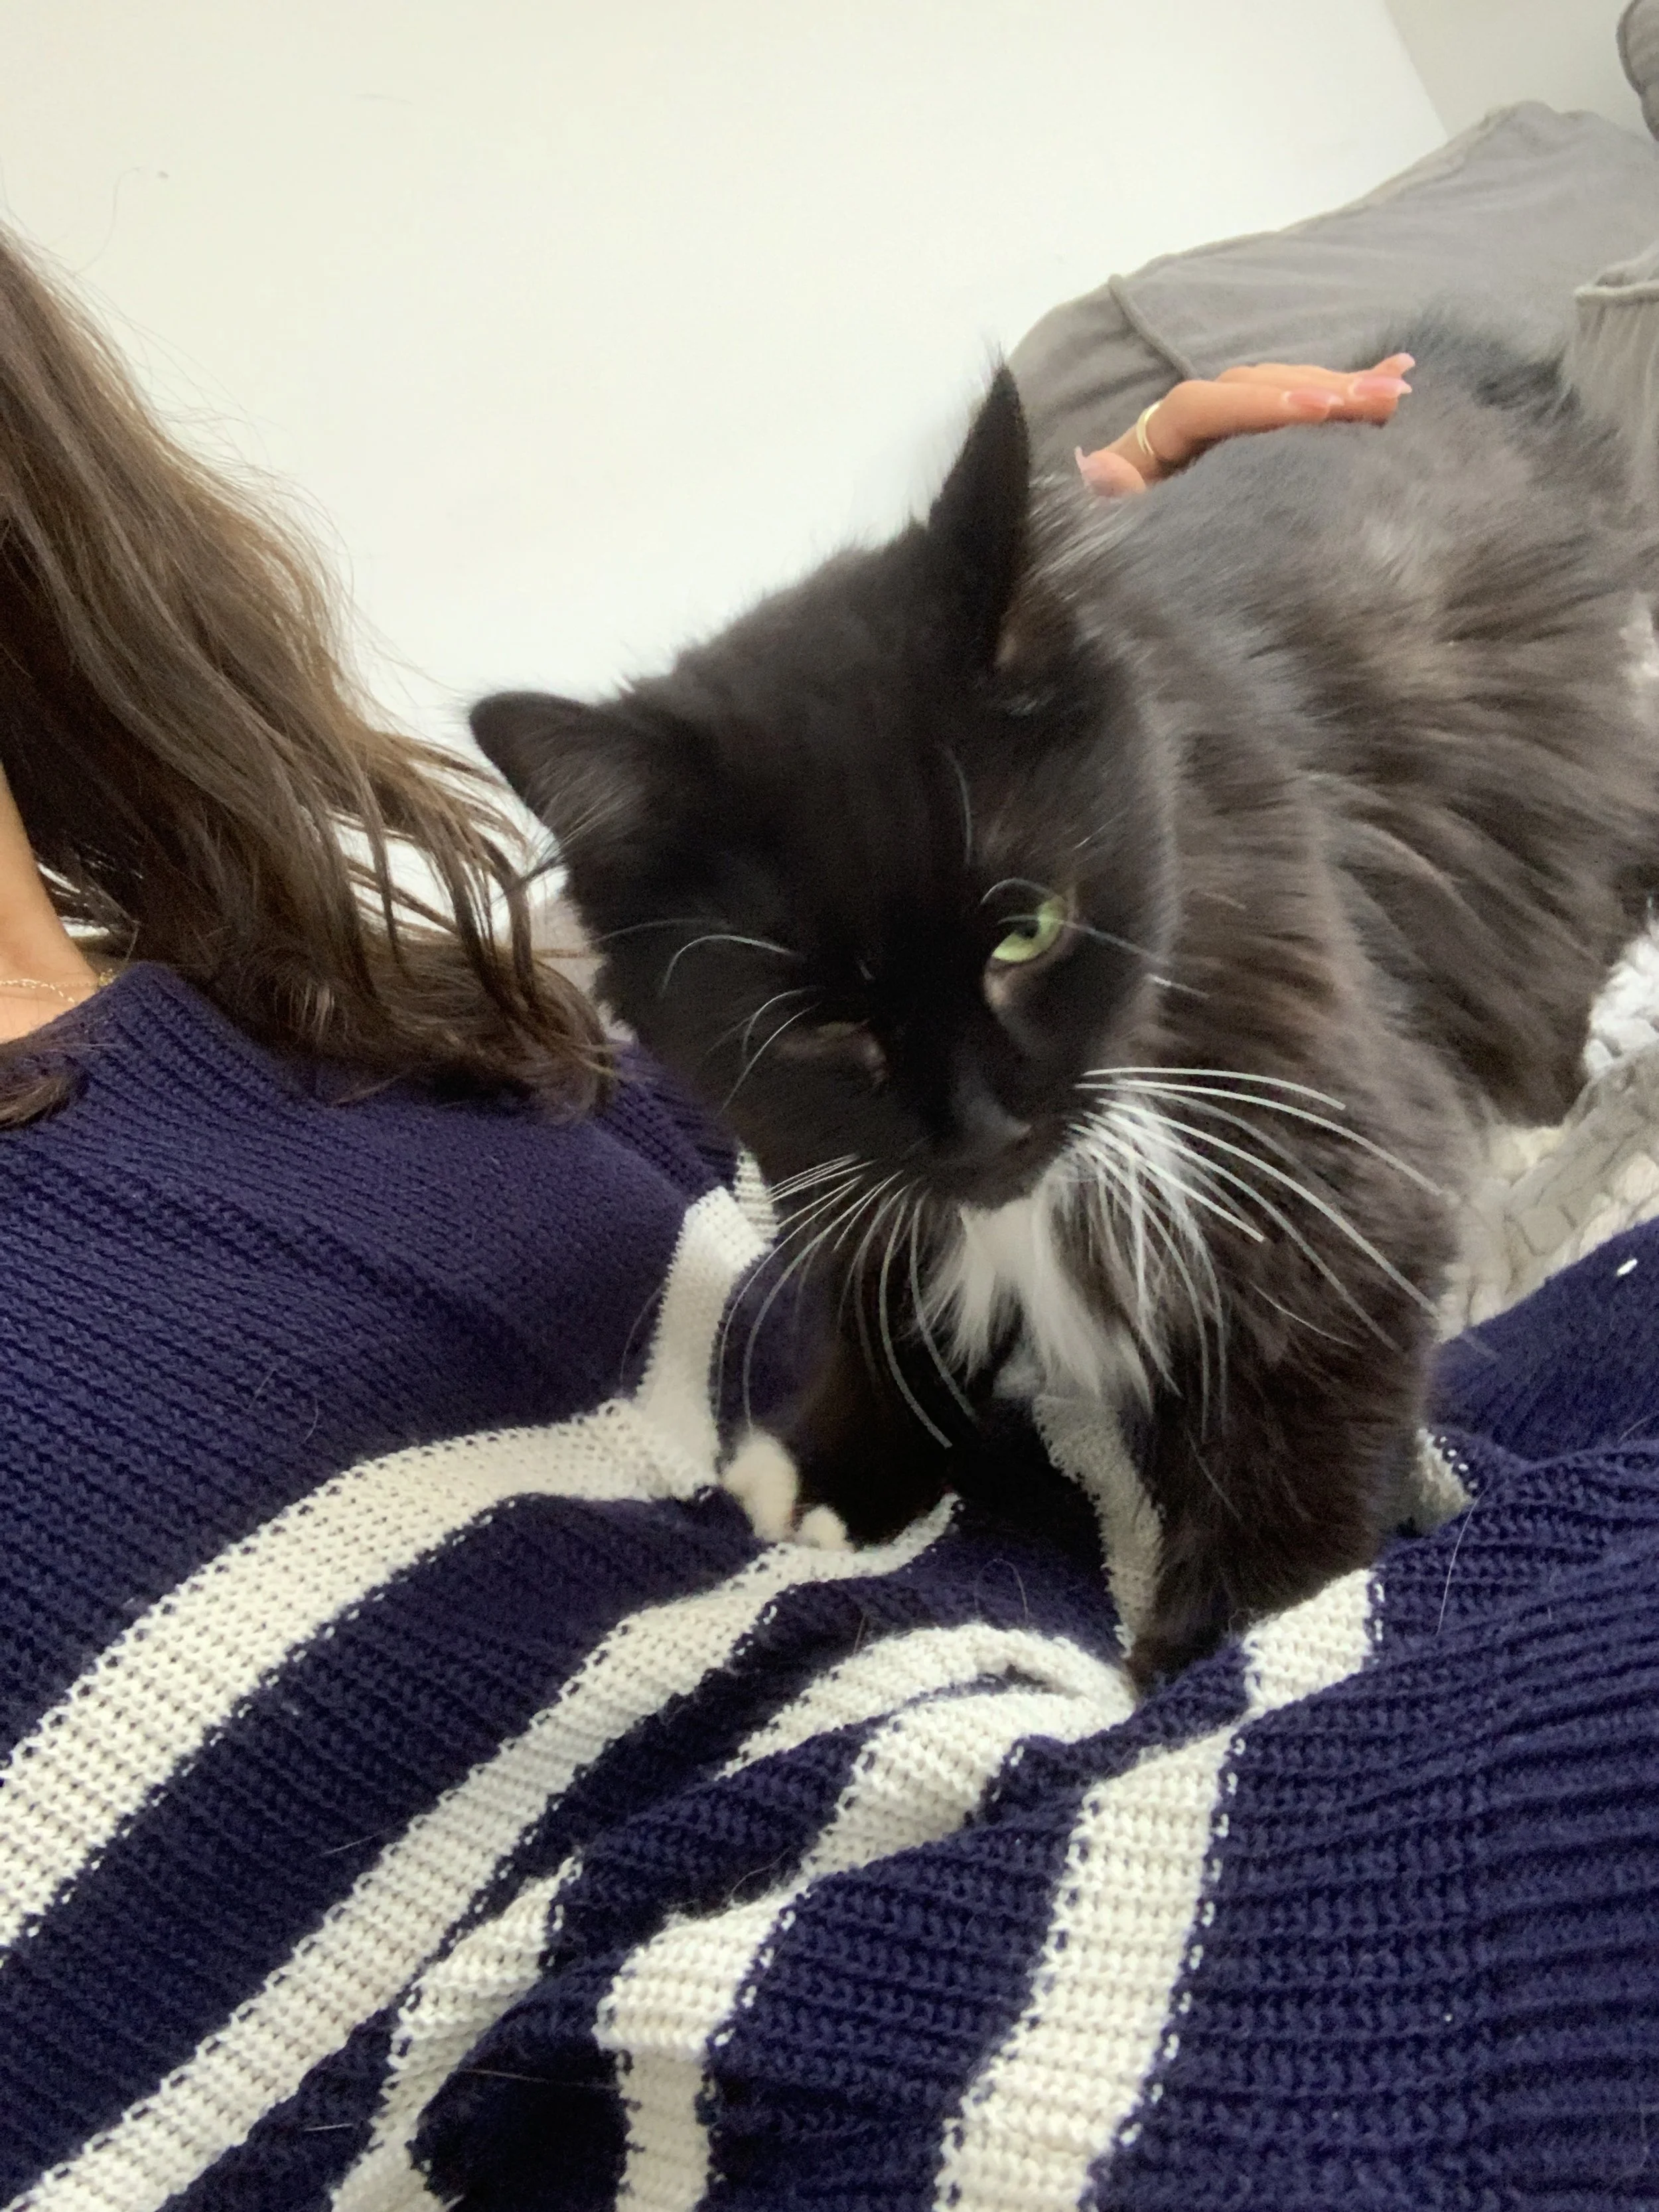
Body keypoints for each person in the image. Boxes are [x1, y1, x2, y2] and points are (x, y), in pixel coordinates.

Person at [0, 211, 1415, 2209]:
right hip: (1003, 2044)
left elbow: (867, 1089)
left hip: (1266, 1683)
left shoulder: (367, 1001)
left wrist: (1051, 613)